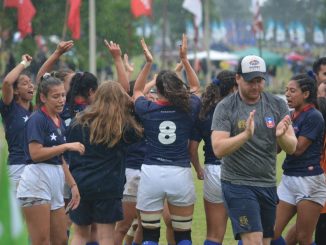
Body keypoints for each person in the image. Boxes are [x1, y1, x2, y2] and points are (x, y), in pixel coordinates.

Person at [211, 55, 297, 245]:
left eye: (259, 81)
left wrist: (281, 135)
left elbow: (292, 147)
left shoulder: (277, 104)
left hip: (267, 183)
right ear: (238, 78)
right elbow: (218, 148)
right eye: (251, 81)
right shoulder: (225, 107)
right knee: (254, 241)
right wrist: (245, 136)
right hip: (237, 184)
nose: (256, 86)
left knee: (265, 241)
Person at [133, 34, 201, 245]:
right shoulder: (187, 108)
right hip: (179, 173)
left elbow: (136, 90)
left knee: (151, 234)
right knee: (183, 235)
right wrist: (185, 60)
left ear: (158, 90)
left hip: (151, 173)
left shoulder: (147, 109)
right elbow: (197, 88)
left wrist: (148, 64)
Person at [66, 81, 143, 245]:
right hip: (109, 186)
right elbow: (139, 131)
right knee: (105, 236)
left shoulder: (78, 121)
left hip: (81, 184)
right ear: (121, 99)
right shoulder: (122, 125)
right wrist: (131, 104)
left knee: (80, 234)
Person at [16, 73, 84, 245]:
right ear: (43, 98)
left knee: (61, 240)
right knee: (42, 241)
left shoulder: (59, 120)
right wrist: (67, 146)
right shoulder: (37, 119)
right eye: (56, 96)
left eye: (63, 95)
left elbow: (59, 158)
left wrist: (73, 185)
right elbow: (35, 154)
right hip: (37, 182)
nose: (61, 100)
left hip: (56, 182)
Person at [272, 74, 326, 245]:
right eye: (286, 90)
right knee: (270, 232)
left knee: (304, 238)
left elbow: (298, 149)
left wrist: (281, 135)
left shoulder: (314, 116)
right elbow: (277, 149)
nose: (287, 94)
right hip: (289, 179)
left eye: (292, 90)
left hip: (309, 180)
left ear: (306, 94)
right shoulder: (290, 115)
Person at [190, 70, 237, 245]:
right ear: (234, 87)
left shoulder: (205, 110)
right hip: (237, 170)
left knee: (213, 235)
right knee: (249, 232)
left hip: (212, 171)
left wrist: (198, 169)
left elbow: (192, 148)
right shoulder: (239, 108)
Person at [0, 54, 34, 193]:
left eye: (31, 82)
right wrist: (24, 63)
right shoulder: (10, 108)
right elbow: (7, 82)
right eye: (25, 83)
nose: (31, 85)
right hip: (16, 168)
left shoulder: (35, 112)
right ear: (16, 91)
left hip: (35, 168)